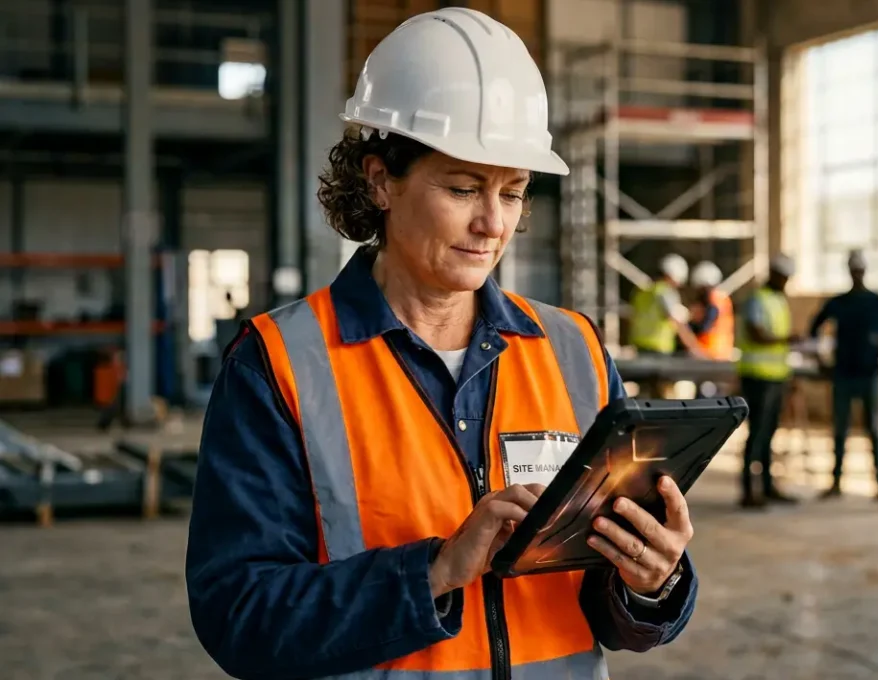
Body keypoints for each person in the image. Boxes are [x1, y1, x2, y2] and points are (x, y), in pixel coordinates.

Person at [184, 10, 698, 680]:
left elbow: (605, 605)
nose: (492, 224)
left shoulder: (573, 349)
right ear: (380, 180)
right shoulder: (279, 363)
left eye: (512, 193)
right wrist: (435, 571)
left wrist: (651, 581)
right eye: (463, 188)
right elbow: (240, 615)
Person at [807, 250, 878, 503]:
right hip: (843, 374)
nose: (856, 275)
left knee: (875, 430)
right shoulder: (839, 303)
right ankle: (836, 482)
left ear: (864, 272)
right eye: (853, 270)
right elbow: (814, 329)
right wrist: (822, 360)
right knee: (840, 431)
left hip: (870, 375)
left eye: (859, 270)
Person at [735, 254, 799, 509]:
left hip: (776, 377)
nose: (785, 282)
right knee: (757, 435)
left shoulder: (778, 300)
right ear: (773, 274)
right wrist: (786, 340)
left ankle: (768, 486)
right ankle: (749, 490)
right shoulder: (756, 299)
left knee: (769, 434)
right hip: (757, 377)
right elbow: (756, 333)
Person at [629, 253, 707, 357]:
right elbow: (677, 322)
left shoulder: (643, 291)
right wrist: (694, 348)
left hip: (639, 346)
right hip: (659, 349)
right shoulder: (665, 292)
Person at [687, 260, 735, 360]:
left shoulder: (713, 301)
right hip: (722, 352)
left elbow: (705, 326)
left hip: (708, 352)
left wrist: (686, 325)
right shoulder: (723, 298)